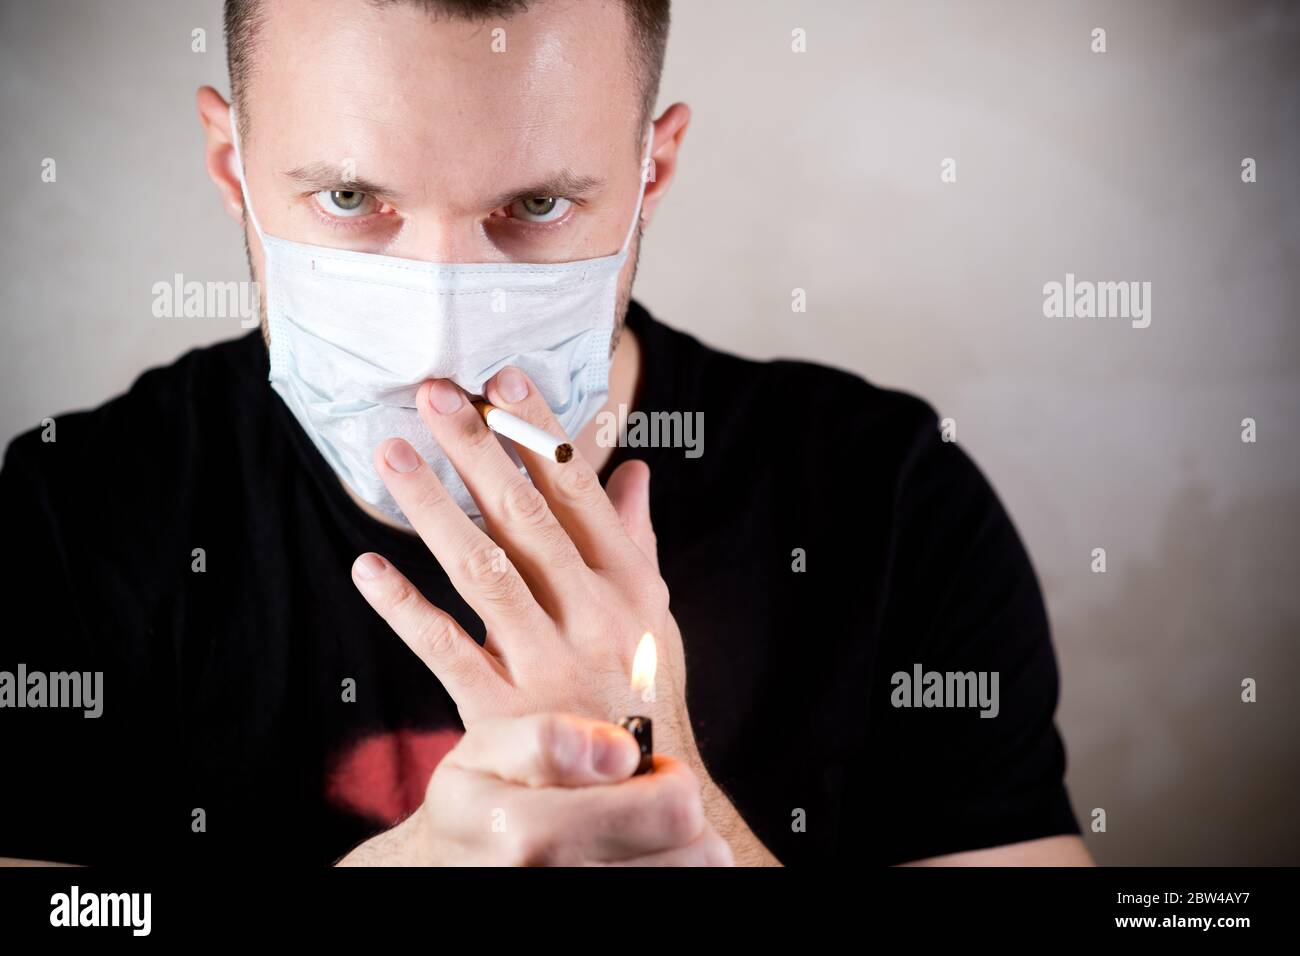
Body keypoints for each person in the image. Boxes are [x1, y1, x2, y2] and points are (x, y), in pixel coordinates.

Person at [0, 0, 1091, 866]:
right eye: (347, 198)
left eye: (531, 209)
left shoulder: (888, 500)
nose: (440, 323)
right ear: (233, 166)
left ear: (649, 173)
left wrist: (673, 813)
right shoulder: (71, 512)